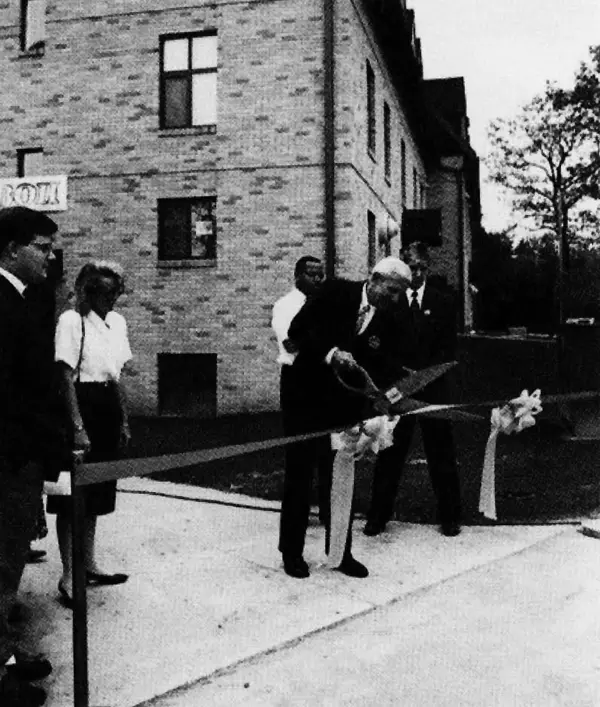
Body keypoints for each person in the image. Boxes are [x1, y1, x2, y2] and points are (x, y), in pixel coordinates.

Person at [282, 256, 413, 579]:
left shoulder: (391, 316)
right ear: (376, 279)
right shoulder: (335, 292)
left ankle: (340, 553)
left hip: (343, 409)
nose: (395, 299)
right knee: (300, 476)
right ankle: (292, 552)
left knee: (339, 479)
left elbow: (384, 366)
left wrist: (396, 390)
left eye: (400, 294)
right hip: (306, 399)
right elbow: (297, 331)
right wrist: (330, 353)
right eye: (393, 291)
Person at [0, 206, 71, 707]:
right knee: (0, 567)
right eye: (41, 249)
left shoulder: (21, 299)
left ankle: (4, 654)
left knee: (7, 569)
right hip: (6, 459)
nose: (49, 258)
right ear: (10, 249)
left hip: (19, 457)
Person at [47, 260, 132, 608]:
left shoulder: (117, 323)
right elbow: (65, 377)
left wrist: (124, 421)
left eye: (117, 292)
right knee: (71, 498)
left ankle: (90, 564)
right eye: (105, 292)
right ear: (87, 290)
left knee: (97, 492)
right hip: (79, 406)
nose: (112, 298)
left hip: (107, 405)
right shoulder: (71, 321)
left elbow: (117, 377)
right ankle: (69, 576)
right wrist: (78, 427)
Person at [364, 241, 463, 538]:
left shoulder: (443, 302)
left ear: (428, 268)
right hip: (399, 391)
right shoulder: (390, 300)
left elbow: (448, 350)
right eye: (412, 267)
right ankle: (378, 517)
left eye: (422, 267)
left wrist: (427, 375)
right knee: (390, 453)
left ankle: (450, 517)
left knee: (441, 454)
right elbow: (377, 345)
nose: (418, 273)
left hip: (433, 390)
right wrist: (397, 377)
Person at [272, 256, 333, 544]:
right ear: (298, 276)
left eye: (321, 275)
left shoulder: (326, 305)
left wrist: (318, 343)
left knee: (329, 453)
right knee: (299, 464)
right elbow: (291, 344)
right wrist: (323, 345)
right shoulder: (286, 306)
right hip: (298, 383)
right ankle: (291, 548)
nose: (318, 280)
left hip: (325, 382)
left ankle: (329, 514)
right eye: (312, 275)